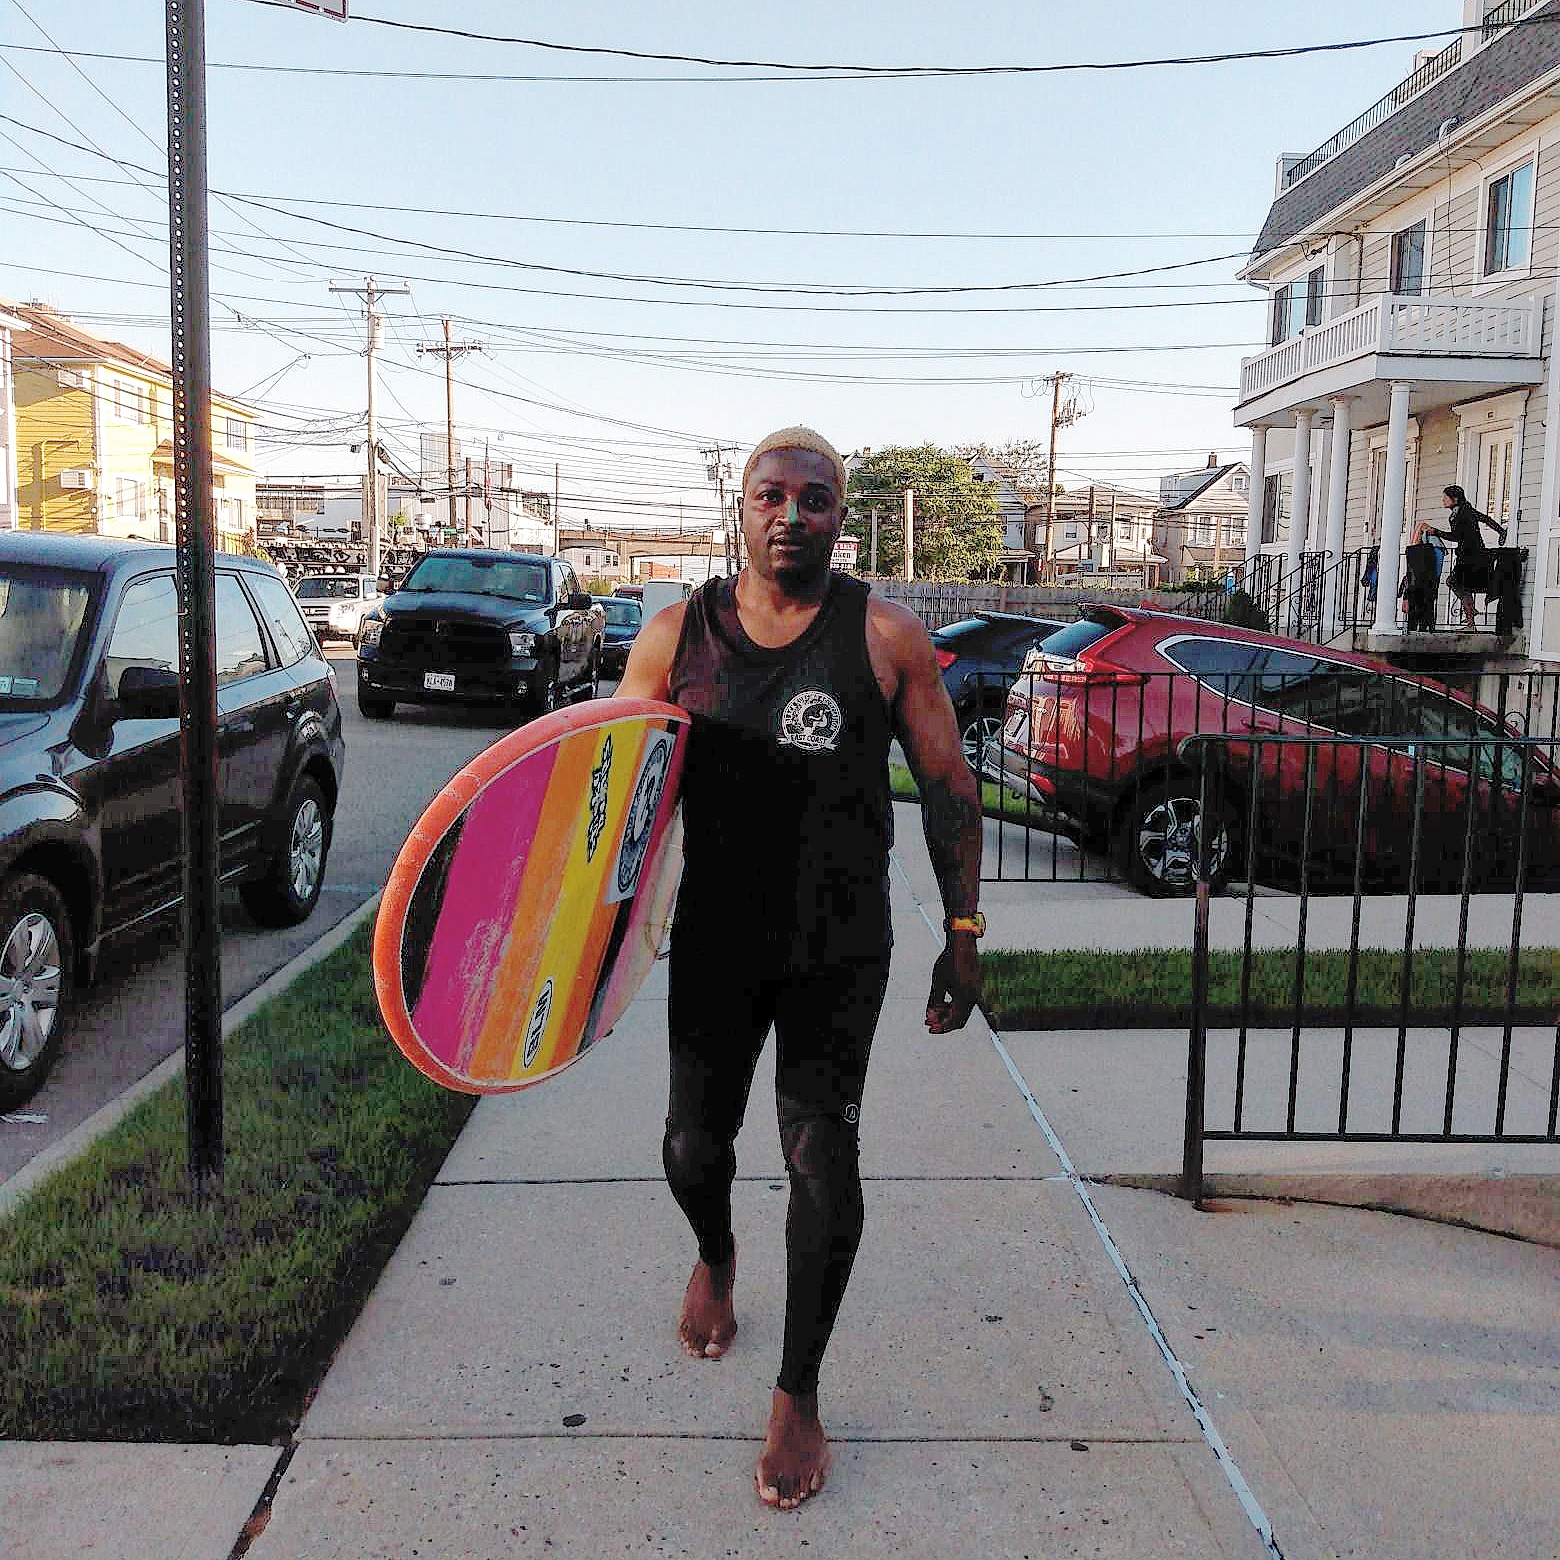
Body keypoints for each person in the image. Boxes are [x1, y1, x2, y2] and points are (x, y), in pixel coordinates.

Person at [616, 425, 983, 1511]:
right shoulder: (678, 636)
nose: (793, 515)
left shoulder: (883, 635)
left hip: (839, 946)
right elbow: (619, 799)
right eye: (772, 495)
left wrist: (964, 934)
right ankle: (717, 1252)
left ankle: (798, 1391)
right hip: (718, 942)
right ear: (742, 509)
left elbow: (951, 788)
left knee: (822, 1155)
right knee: (692, 1148)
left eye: (815, 498)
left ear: (840, 514)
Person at [1416, 484, 1506, 630]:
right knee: (1461, 585)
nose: (1443, 500)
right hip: (1472, 556)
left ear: (1455, 499)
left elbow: (1457, 536)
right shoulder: (1464, 510)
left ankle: (1470, 616)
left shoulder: (1462, 513)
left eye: (1446, 497)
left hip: (1471, 558)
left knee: (1455, 582)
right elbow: (1486, 519)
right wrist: (1501, 531)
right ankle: (1471, 618)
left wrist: (1435, 532)